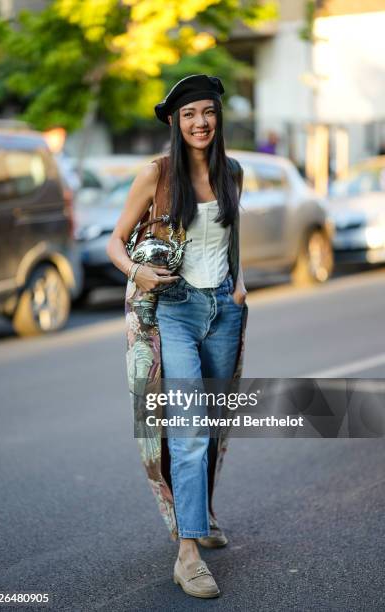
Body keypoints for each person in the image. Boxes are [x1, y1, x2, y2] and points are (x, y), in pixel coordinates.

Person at [107, 74, 248, 599]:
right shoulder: (157, 175)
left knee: (211, 428)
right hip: (176, 310)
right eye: (189, 115)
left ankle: (201, 516)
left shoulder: (233, 171)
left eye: (207, 112)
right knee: (187, 431)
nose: (200, 122)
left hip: (224, 312)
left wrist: (241, 284)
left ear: (218, 117)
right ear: (174, 122)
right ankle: (187, 555)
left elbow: (232, 240)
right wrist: (135, 273)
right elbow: (115, 241)